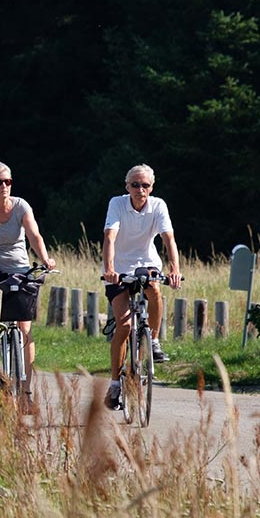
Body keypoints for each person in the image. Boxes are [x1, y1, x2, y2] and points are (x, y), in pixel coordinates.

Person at [0, 161, 56, 413]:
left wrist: (45, 258)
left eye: (8, 182)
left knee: (25, 328)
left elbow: (33, 233)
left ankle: (26, 392)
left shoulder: (21, 206)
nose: (4, 186)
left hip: (20, 268)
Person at [101, 164, 182, 410]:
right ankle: (115, 384)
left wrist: (175, 269)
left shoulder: (158, 206)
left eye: (145, 185)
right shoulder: (117, 204)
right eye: (135, 185)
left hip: (147, 263)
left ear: (152, 187)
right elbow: (109, 236)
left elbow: (169, 239)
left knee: (155, 290)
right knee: (124, 326)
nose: (140, 189)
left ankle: (154, 341)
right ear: (127, 187)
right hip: (119, 269)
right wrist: (110, 268)